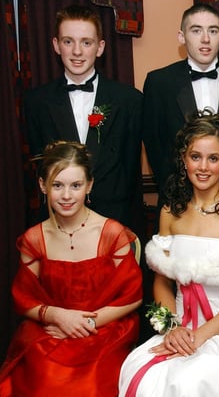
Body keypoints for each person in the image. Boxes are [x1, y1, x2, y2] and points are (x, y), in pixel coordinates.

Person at [118, 114, 219, 396]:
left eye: (213, 158)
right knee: (143, 373)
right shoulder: (169, 213)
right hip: (179, 323)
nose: (203, 167)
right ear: (183, 160)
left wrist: (202, 335)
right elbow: (162, 282)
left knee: (199, 378)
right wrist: (172, 328)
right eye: (195, 157)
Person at [0, 141, 142, 397]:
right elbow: (23, 299)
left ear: (89, 185)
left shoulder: (111, 233)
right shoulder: (34, 239)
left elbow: (133, 297)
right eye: (57, 185)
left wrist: (86, 321)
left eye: (75, 185)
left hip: (103, 330)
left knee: (91, 385)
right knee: (44, 380)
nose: (66, 195)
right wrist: (58, 316)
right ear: (43, 186)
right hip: (51, 331)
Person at [23, 4, 143, 229]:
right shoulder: (36, 102)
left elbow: (129, 172)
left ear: (100, 47)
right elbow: (41, 166)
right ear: (56, 45)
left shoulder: (130, 100)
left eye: (86, 42)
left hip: (112, 222)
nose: (77, 51)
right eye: (68, 42)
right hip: (58, 223)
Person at [142, 3, 219, 205]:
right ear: (181, 36)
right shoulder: (159, 82)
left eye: (213, 31)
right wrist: (176, 191)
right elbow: (155, 144)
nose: (205, 39)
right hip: (178, 200)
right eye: (196, 30)